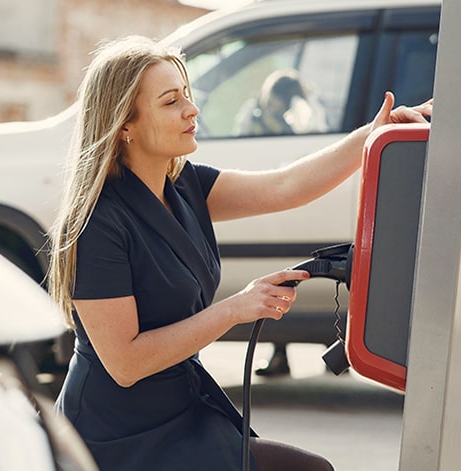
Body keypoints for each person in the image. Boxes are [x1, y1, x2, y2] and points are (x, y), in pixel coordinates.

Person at [47, 35, 432, 470]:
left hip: (180, 410)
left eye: (187, 95)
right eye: (171, 101)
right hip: (114, 435)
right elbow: (125, 363)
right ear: (124, 125)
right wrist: (237, 307)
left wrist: (375, 134)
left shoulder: (186, 186)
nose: (192, 109)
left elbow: (288, 186)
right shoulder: (98, 222)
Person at [235, 69, 308, 136]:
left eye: (276, 108)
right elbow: (241, 133)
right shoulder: (252, 110)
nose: (269, 110)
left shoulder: (289, 124)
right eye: (269, 102)